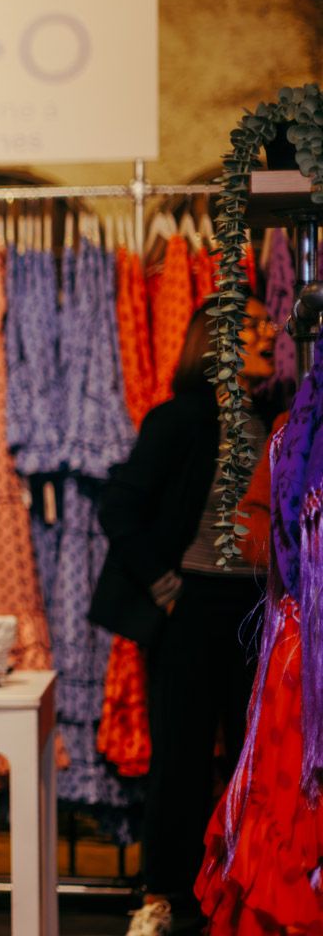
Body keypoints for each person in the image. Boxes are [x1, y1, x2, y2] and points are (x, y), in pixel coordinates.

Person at [94, 295, 279, 936]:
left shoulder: (271, 419)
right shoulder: (179, 420)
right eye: (253, 322)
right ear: (218, 341)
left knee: (254, 759)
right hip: (193, 607)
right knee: (182, 757)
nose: (270, 329)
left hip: (253, 609)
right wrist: (166, 586)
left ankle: (240, 890)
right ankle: (165, 894)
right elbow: (118, 507)